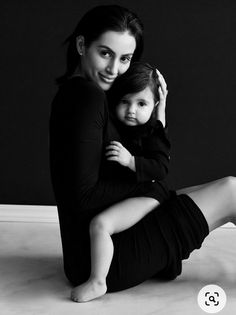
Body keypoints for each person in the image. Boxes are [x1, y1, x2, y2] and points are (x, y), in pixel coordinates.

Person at [49, 4, 236, 303]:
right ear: (82, 45)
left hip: (97, 247)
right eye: (105, 53)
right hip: (106, 257)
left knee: (220, 191)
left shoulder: (81, 94)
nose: (114, 69)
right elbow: (81, 197)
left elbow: (132, 154)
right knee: (231, 192)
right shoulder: (88, 98)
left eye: (125, 59)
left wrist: (159, 115)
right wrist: (153, 188)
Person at [71, 61, 173, 302]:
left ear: (154, 105)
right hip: (131, 191)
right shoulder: (116, 125)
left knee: (101, 225)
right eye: (125, 101)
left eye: (141, 104)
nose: (131, 110)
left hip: (149, 194)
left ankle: (98, 282)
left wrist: (130, 161)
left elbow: (161, 167)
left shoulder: (152, 131)